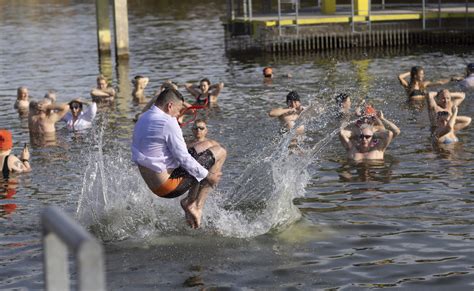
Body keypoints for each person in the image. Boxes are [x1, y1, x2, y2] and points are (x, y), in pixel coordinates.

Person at [131, 88, 226, 229]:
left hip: (154, 183)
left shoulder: (143, 117)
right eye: (179, 109)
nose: (179, 113)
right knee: (220, 152)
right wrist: (208, 176)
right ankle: (195, 205)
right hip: (168, 186)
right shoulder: (168, 122)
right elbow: (183, 158)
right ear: (169, 106)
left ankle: (191, 201)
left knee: (209, 144)